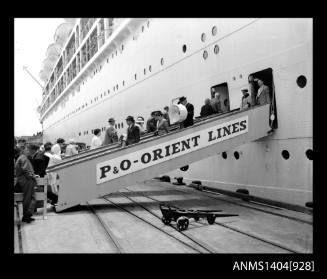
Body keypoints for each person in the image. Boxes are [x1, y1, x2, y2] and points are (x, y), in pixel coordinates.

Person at [15, 145, 37, 223]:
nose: (29, 151)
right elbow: (26, 170)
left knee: (29, 198)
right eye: (27, 150)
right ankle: (26, 216)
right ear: (23, 151)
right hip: (26, 180)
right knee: (29, 198)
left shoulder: (22, 157)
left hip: (24, 180)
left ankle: (27, 215)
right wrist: (33, 177)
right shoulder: (23, 158)